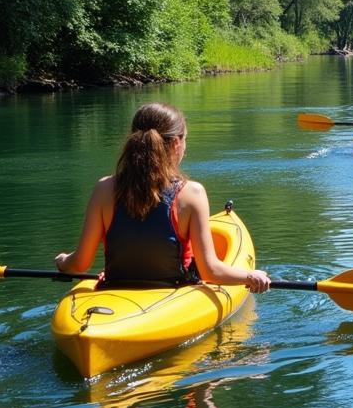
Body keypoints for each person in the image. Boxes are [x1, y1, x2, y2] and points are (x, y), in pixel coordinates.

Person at [55, 103, 271, 292]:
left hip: (115, 289)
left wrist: (63, 261)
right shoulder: (191, 193)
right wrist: (250, 276)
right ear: (177, 143)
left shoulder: (104, 188)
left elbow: (80, 263)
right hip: (174, 291)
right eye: (185, 139)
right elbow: (210, 271)